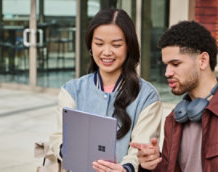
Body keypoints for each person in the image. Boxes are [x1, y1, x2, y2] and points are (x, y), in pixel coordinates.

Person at [130, 21, 218, 172]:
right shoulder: (174, 119)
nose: (167, 73)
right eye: (166, 65)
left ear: (202, 61)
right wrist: (152, 165)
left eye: (175, 64)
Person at [48, 9, 162, 172]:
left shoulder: (147, 97)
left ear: (129, 46)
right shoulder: (72, 91)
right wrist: (68, 150)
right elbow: (58, 137)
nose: (107, 52)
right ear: (90, 45)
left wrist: (125, 169)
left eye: (116, 45)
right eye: (99, 44)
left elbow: (139, 151)